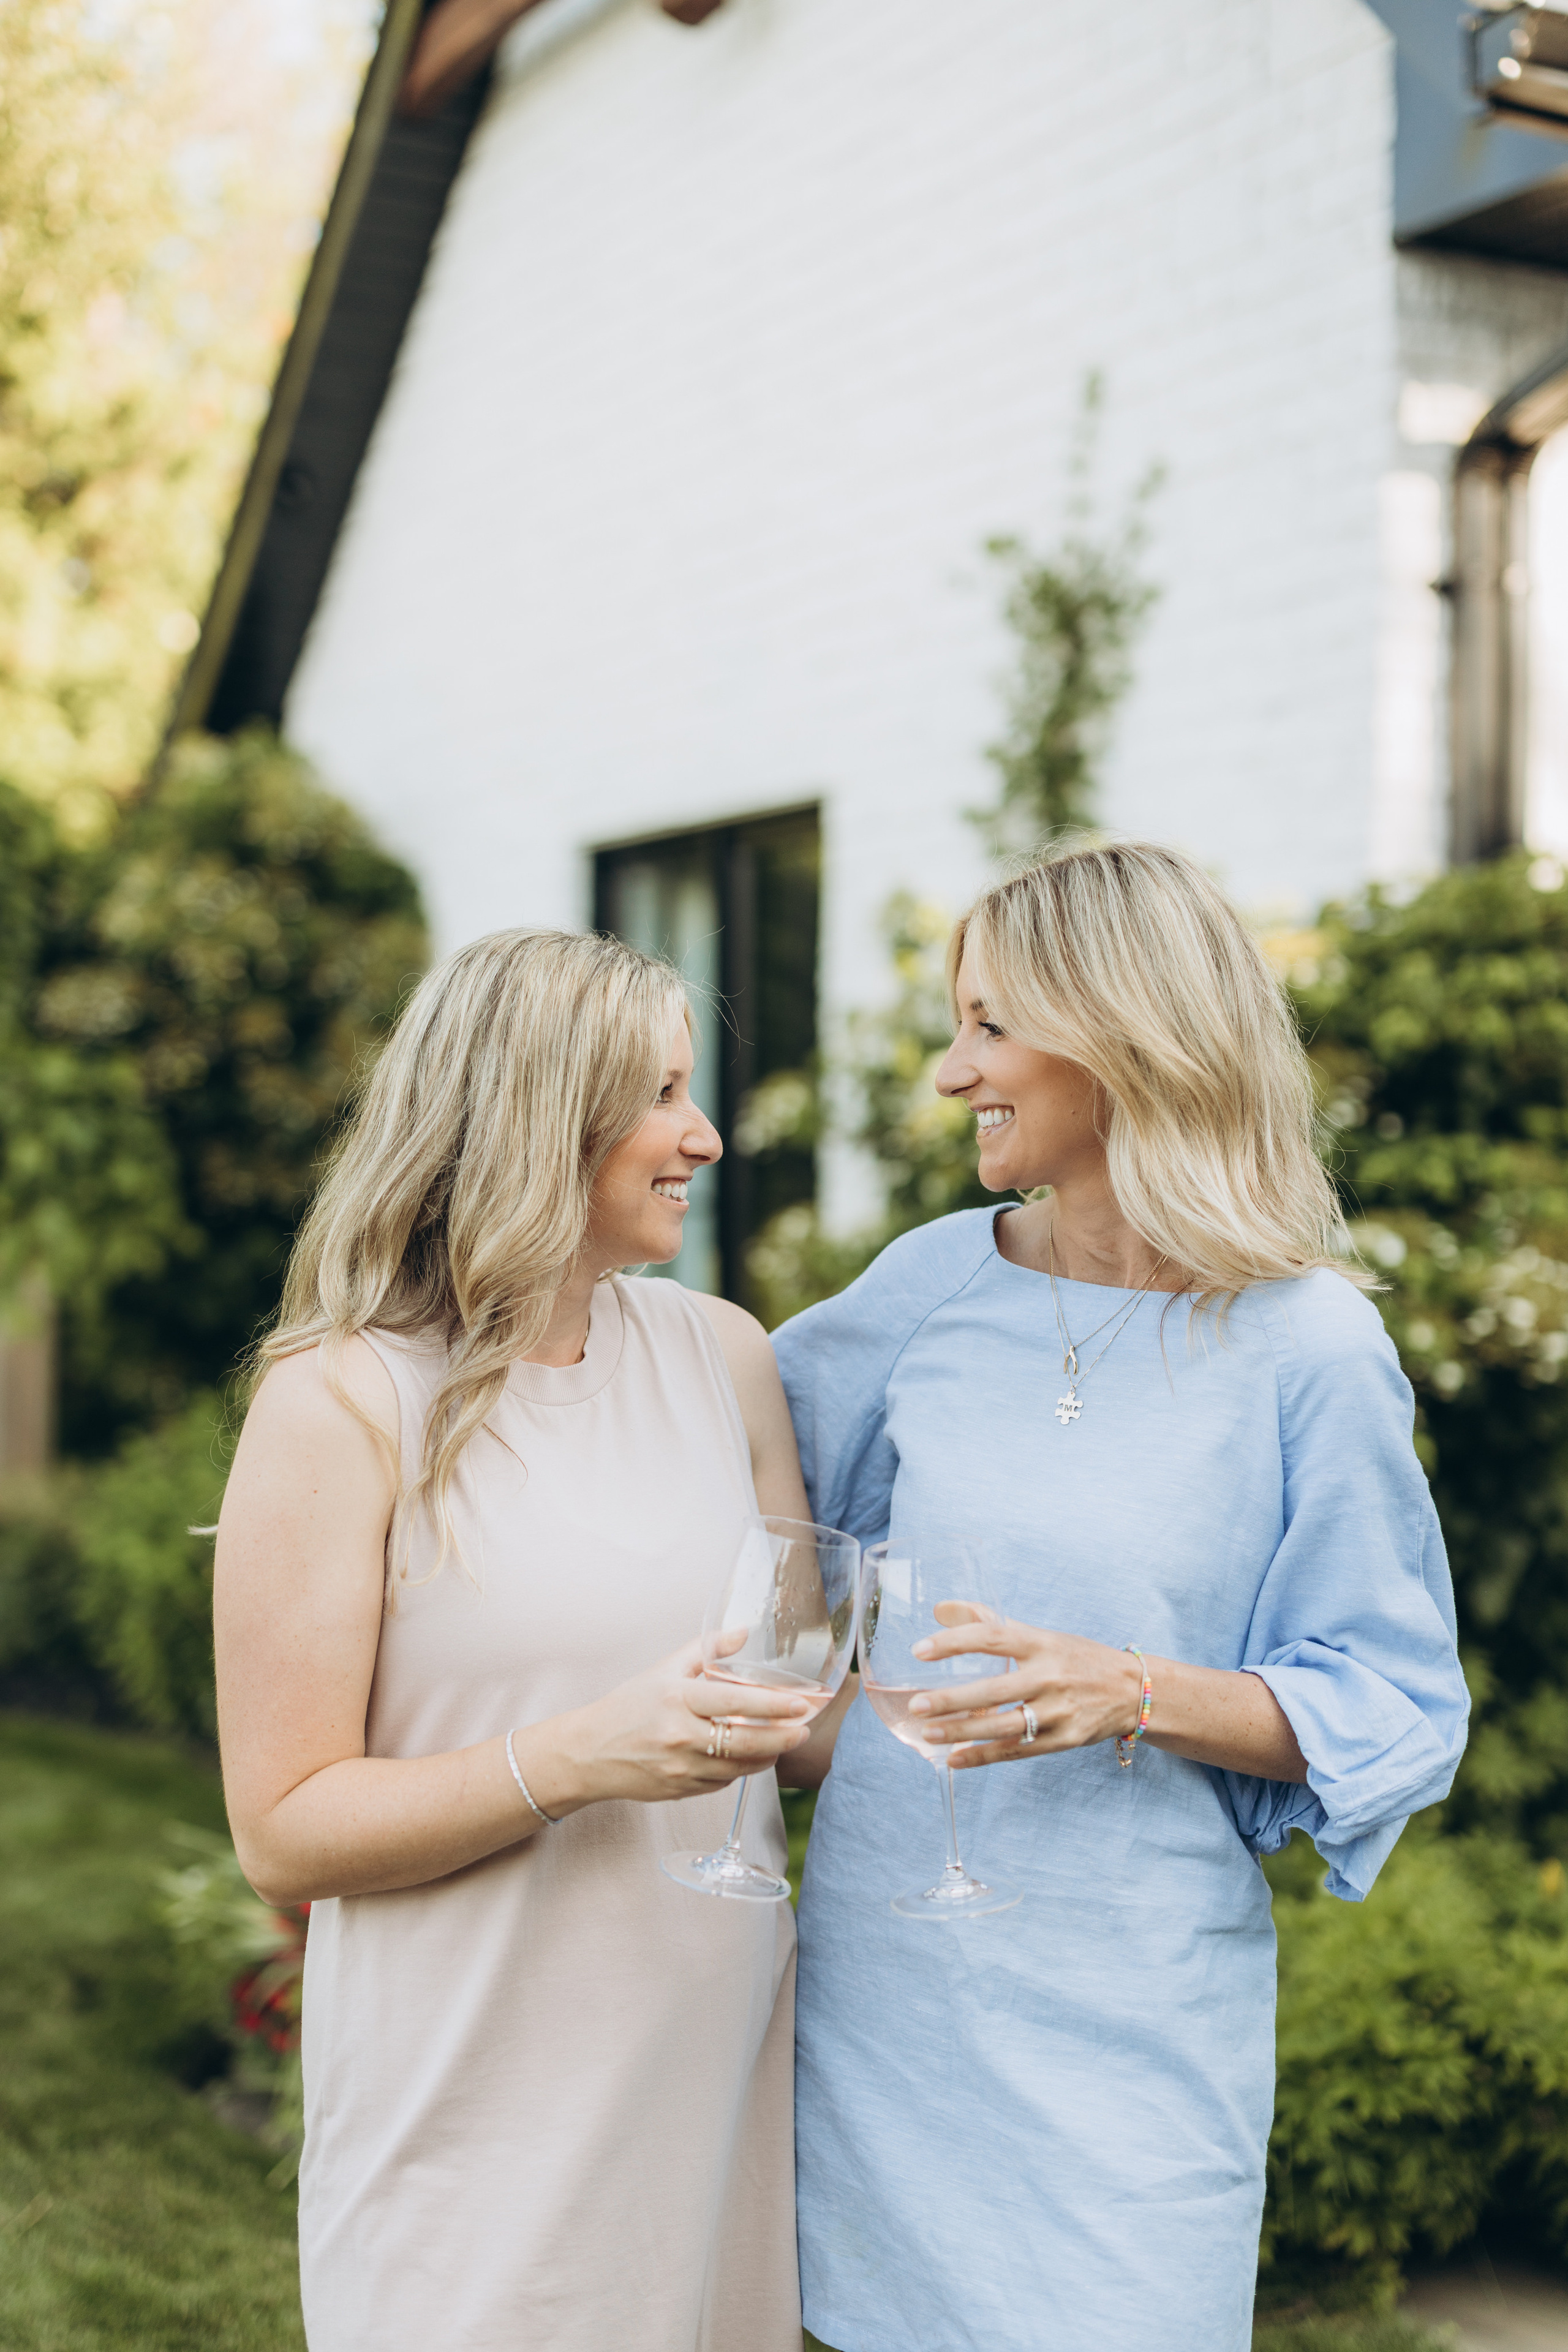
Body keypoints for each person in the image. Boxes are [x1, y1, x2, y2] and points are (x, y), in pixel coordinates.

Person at [772, 840, 1469, 2352]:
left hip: (1134, 2028)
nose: (954, 1072)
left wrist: (1132, 1692)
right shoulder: (923, 1290)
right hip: (885, 2007)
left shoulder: (1309, 1348)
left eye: (988, 1026)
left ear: (1121, 1036)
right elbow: (769, 1535)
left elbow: (1394, 1699)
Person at [215, 927, 831, 2352]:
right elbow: (286, 1830)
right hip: (473, 2113)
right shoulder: (342, 1402)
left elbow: (801, 1712)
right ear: (541, 1118)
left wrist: (1021, 1696)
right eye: (665, 1096)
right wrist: (573, 1757)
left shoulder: (721, 1354)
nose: (708, 1136)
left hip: (708, 2084)